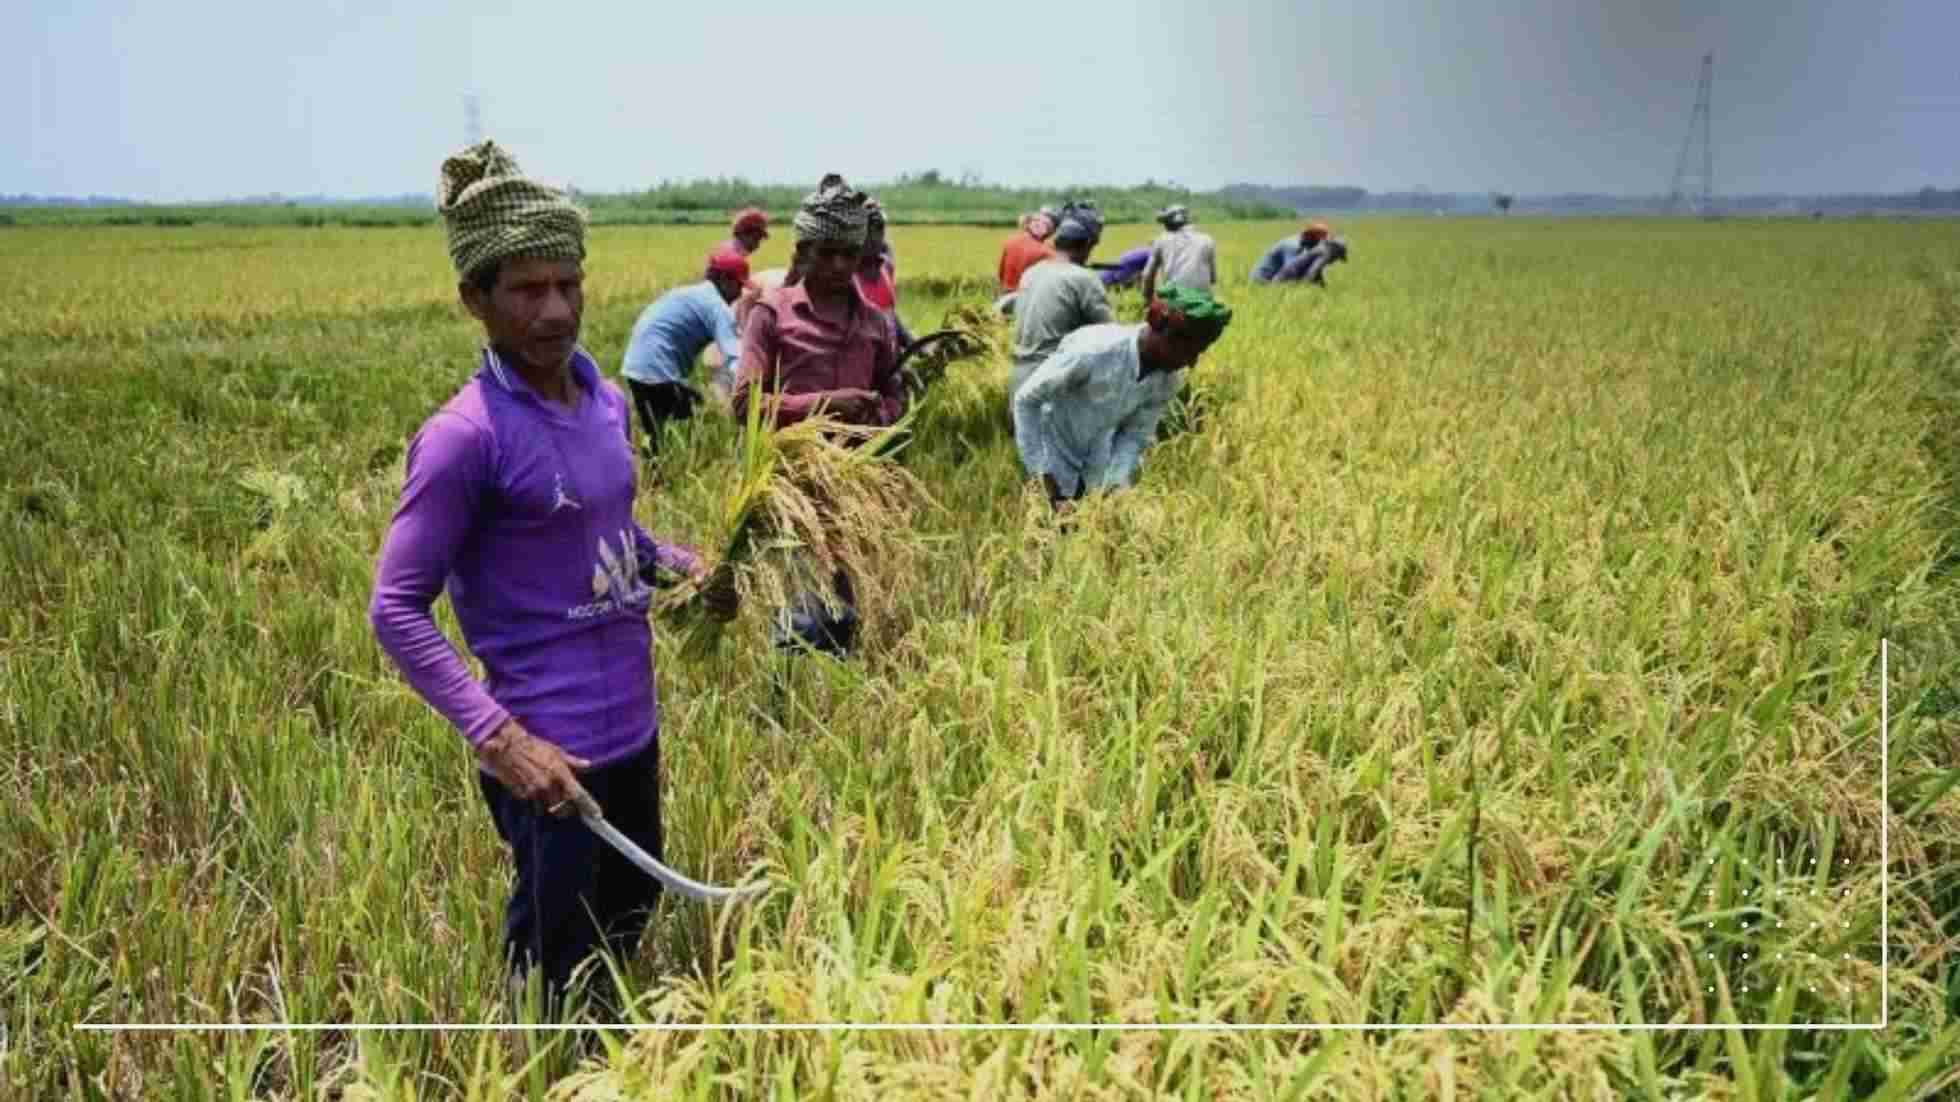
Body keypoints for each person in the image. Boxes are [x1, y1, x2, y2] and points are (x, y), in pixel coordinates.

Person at [368, 140, 737, 1017]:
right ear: (476, 300)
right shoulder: (466, 437)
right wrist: (502, 742)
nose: (556, 308)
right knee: (553, 963)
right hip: (548, 754)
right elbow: (394, 607)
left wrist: (689, 572)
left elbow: (614, 532)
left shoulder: (606, 402)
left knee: (630, 911)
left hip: (632, 729)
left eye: (568, 284)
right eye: (528, 289)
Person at [732, 175, 907, 656]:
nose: (836, 265)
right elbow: (744, 405)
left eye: (847, 255)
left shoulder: (875, 323)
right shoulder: (772, 315)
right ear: (804, 249)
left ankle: (837, 707)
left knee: (846, 610)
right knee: (797, 616)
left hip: (855, 487)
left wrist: (882, 413)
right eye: (824, 252)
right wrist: (829, 405)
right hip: (792, 487)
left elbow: (893, 389)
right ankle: (781, 714)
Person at [1011, 286, 1233, 509]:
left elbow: (1135, 435)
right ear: (1162, 332)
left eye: (1198, 353)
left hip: (1095, 463)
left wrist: (1116, 485)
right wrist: (1044, 479)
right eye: (1187, 351)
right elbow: (1026, 400)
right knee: (1044, 534)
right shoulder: (1094, 352)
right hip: (1050, 452)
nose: (1192, 363)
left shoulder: (1168, 381)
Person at [619, 245, 749, 453]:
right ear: (725, 280)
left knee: (655, 429)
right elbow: (735, 356)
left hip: (635, 364)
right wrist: (747, 392)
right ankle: (678, 465)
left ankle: (650, 469)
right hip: (655, 368)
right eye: (738, 285)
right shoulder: (716, 307)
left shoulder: (693, 293)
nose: (740, 292)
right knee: (693, 415)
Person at [1008, 202, 1115, 397]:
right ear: (1087, 244)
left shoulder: (1031, 273)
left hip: (1018, 384)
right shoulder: (1084, 279)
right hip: (1054, 384)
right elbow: (1109, 338)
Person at [853, 197, 915, 349]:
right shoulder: (844, 280)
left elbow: (890, 316)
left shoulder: (886, 267)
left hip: (891, 363)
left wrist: (915, 345)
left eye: (880, 228)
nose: (875, 237)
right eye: (868, 230)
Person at [1139, 204, 1217, 302]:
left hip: (1174, 304)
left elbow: (1147, 276)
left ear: (1167, 224)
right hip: (1202, 304)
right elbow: (1213, 279)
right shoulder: (1207, 240)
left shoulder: (1161, 240)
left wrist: (1148, 300)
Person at [995, 208, 1058, 301]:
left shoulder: (1010, 241)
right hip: (1025, 302)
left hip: (1003, 298)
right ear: (1050, 231)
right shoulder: (1047, 252)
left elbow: (1000, 274)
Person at [1251, 222, 1330, 282]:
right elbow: (1291, 271)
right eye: (1319, 240)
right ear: (1310, 236)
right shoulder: (1293, 246)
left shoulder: (1303, 243)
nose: (1320, 243)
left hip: (1271, 278)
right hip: (1262, 281)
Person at [1275, 233, 1348, 286]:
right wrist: (1304, 288)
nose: (1335, 261)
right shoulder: (1326, 253)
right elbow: (1312, 272)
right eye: (1338, 256)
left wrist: (1324, 288)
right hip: (1288, 278)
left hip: (1284, 275)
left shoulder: (1320, 249)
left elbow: (1317, 275)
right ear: (1335, 250)